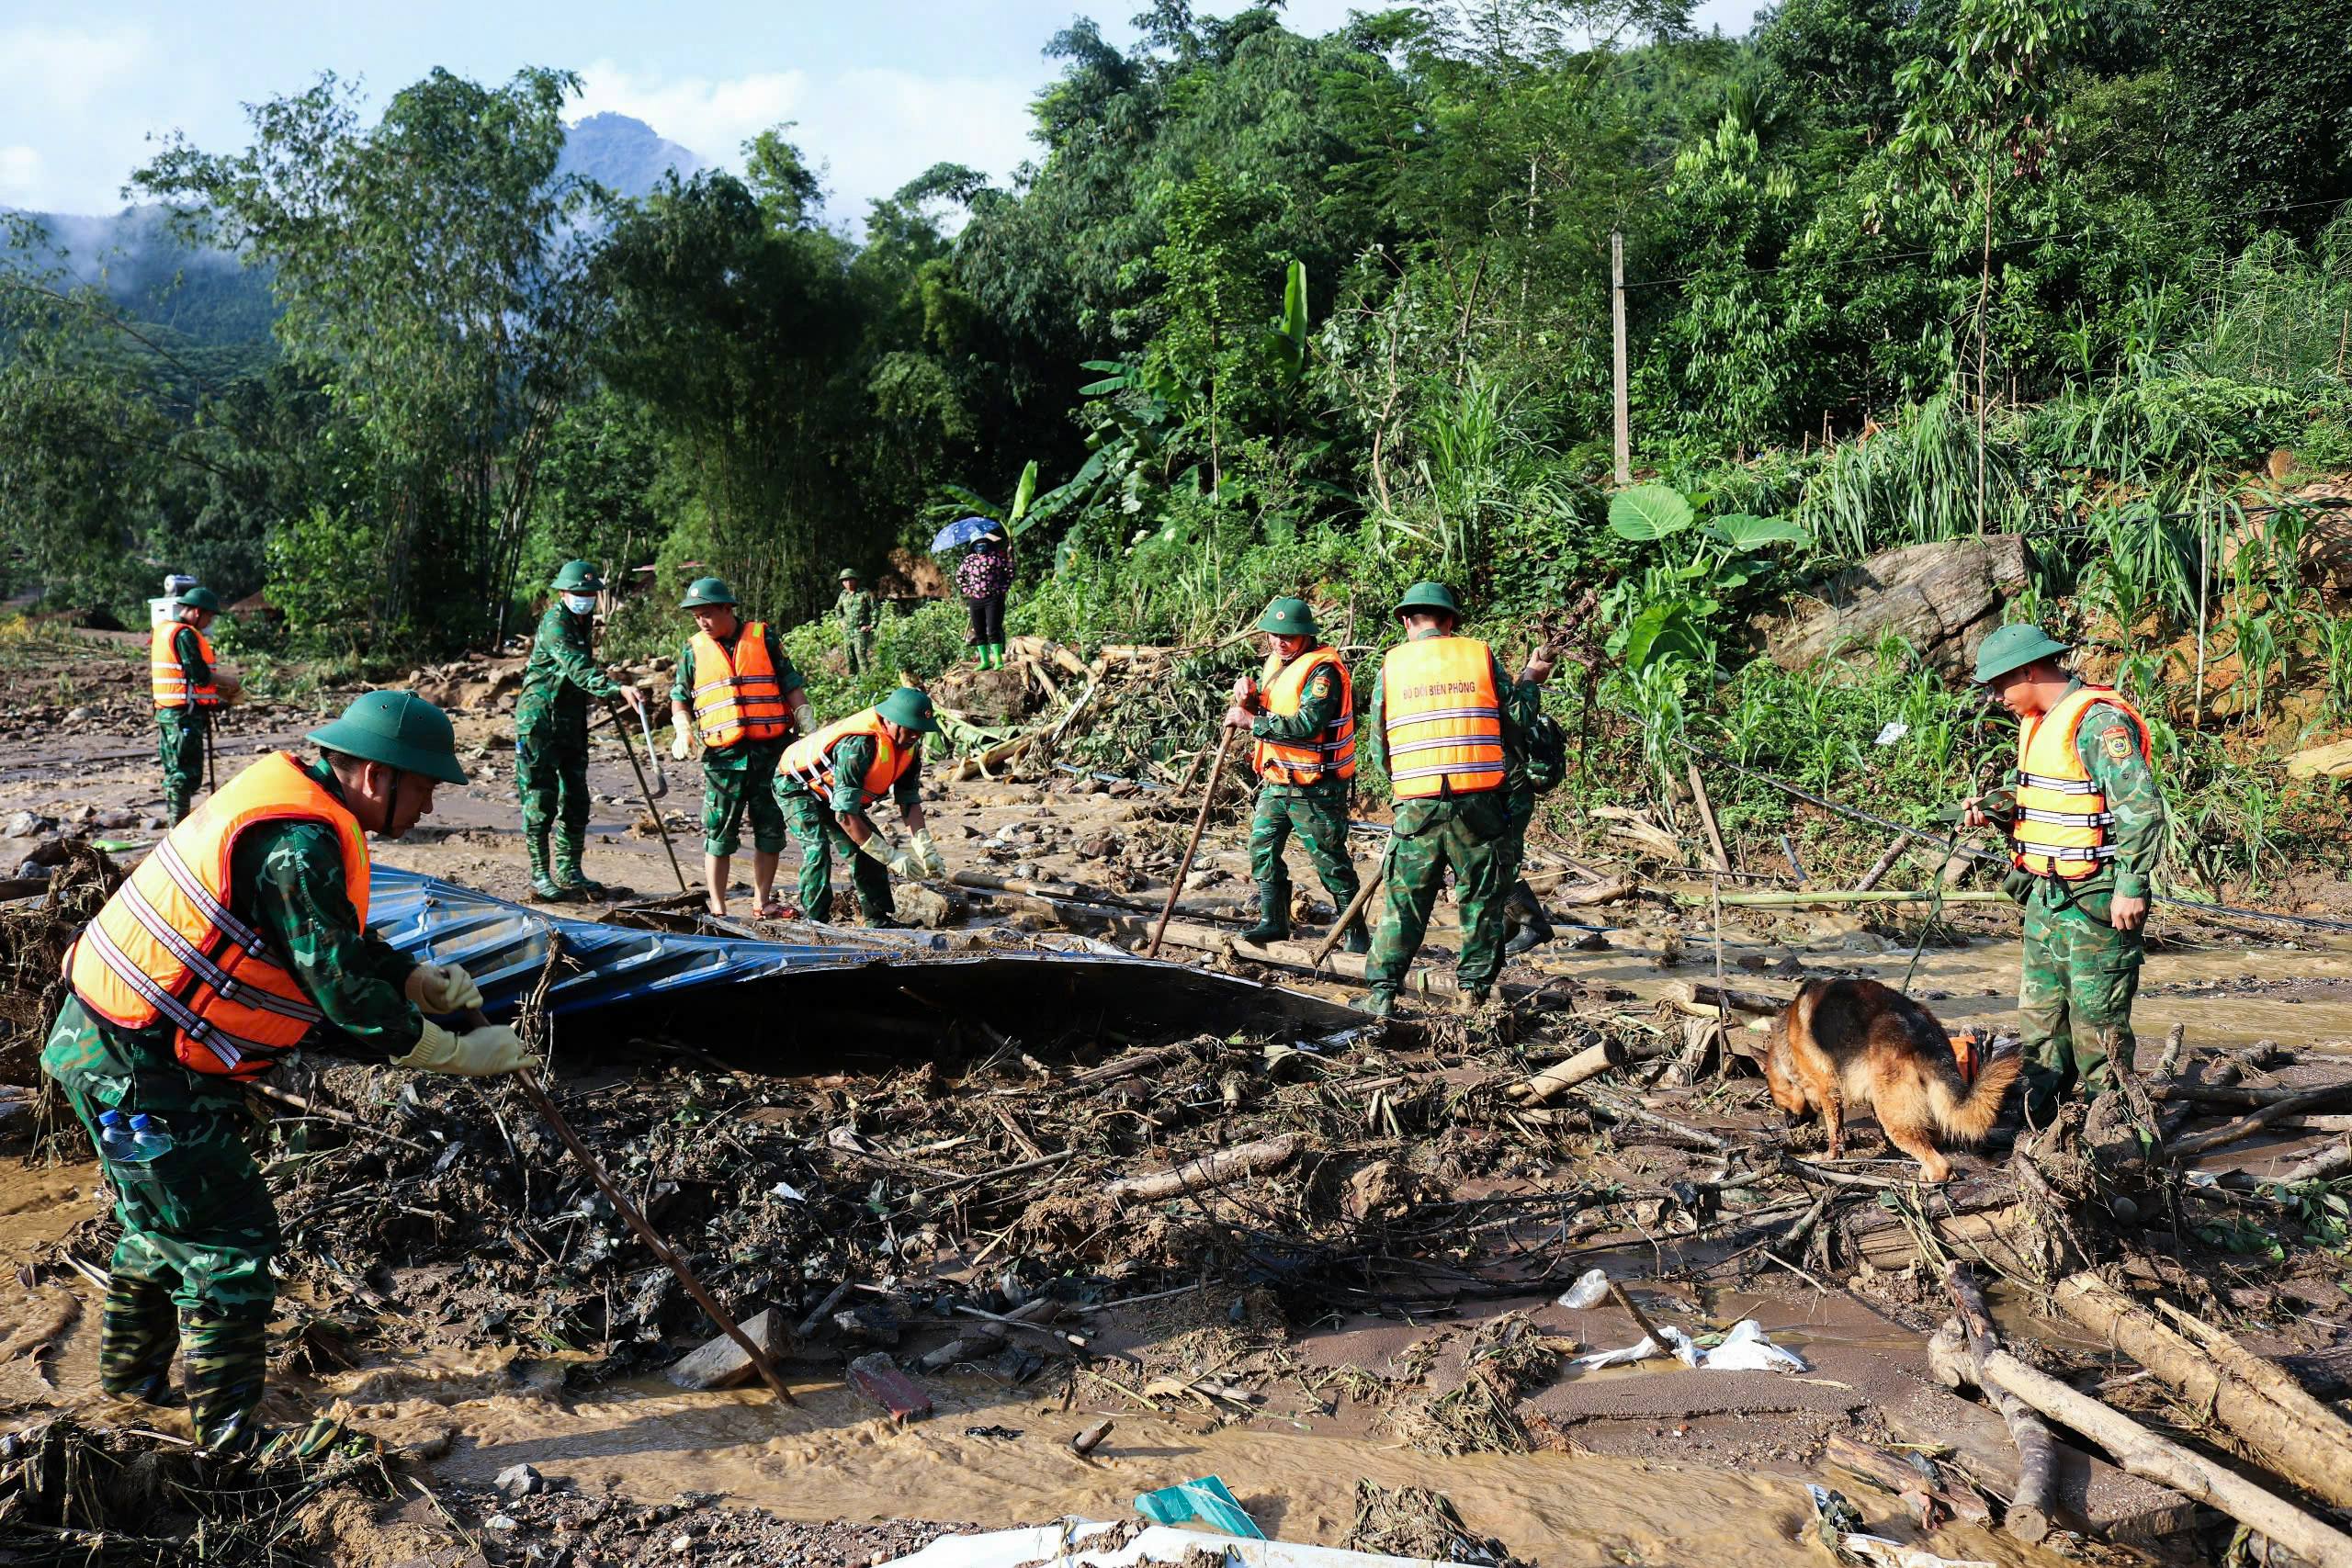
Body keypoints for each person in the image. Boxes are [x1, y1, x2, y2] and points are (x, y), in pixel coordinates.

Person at [42, 690, 537, 1453]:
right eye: (427, 787)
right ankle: (231, 1440)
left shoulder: (299, 811)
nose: (431, 804)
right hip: (136, 1067)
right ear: (377, 775)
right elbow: (344, 998)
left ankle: (129, 1393)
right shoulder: (299, 845)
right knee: (230, 1238)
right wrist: (451, 1050)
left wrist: (412, 977)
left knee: (162, 1223)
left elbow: (322, 942)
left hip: (112, 1043)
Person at [1962, 624, 2164, 1126]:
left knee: (2098, 1024)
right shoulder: (2038, 721)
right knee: (2040, 1018)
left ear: (2030, 671)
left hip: (2097, 902)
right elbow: (2042, 794)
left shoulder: (2098, 724)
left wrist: (2131, 887)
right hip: (2046, 899)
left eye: (1999, 685)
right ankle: (2036, 1119)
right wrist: (1994, 806)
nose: (1996, 698)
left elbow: (2141, 811)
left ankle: (2112, 1129)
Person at [1360, 582, 1554, 1017]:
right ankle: (1472, 997)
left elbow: (1379, 747)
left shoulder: (1391, 666)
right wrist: (1531, 679)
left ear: (1407, 621)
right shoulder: (1479, 655)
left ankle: (1382, 997)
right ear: (1450, 621)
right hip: (1479, 805)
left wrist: (1410, 783)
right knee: (1482, 902)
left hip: (1417, 806)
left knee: (1403, 905)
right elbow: (1519, 717)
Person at [1223, 596, 1366, 951]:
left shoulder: (1323, 672)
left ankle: (1355, 933)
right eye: (1274, 635)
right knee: (1261, 848)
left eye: (1288, 636)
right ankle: (1274, 922)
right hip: (1278, 780)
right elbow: (1274, 709)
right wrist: (1249, 699)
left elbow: (1307, 724)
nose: (1279, 642)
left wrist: (1250, 721)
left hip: (1316, 786)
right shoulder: (1278, 663)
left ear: (1306, 636)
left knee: (1329, 860)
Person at [668, 577, 813, 919]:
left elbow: (790, 683)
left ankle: (763, 903)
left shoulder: (763, 638)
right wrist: (682, 729)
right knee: (719, 831)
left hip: (771, 753)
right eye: (696, 617)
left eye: (707, 614)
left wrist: (807, 722)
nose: (702, 622)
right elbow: (679, 696)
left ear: (727, 608)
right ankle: (718, 907)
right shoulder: (694, 649)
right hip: (723, 759)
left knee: (770, 830)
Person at [515, 560, 646, 902]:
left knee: (576, 798)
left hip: (572, 721)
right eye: (579, 593)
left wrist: (605, 689)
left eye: (590, 593)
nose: (585, 598)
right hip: (539, 721)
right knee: (540, 798)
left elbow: (581, 671)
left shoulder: (582, 621)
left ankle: (569, 869)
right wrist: (615, 689)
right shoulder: (555, 624)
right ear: (563, 593)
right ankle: (541, 873)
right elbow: (576, 667)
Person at [775, 686, 944, 926]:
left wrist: (924, 846)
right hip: (798, 786)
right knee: (817, 849)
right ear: (889, 721)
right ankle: (815, 923)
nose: (915, 736)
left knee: (870, 851)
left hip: (835, 792)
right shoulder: (859, 745)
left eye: (920, 732)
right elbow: (844, 816)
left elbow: (908, 799)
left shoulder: (910, 748)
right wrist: (891, 856)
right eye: (911, 729)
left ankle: (878, 920)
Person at [152, 586, 241, 825]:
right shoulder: (185, 634)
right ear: (198, 612)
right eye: (209, 616)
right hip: (183, 716)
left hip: (169, 712)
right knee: (184, 776)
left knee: (175, 773)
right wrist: (227, 682)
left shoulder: (165, 630)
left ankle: (176, 825)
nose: (209, 621)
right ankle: (177, 829)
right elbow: (199, 675)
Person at [958, 527, 1012, 671]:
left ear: (987, 543)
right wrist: (967, 590)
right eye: (978, 543)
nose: (980, 545)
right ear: (973, 545)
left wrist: (1003, 588)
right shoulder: (969, 560)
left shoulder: (995, 558)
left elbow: (1010, 571)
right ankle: (985, 661)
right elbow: (959, 577)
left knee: (993, 629)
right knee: (979, 630)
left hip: (993, 598)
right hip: (976, 599)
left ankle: (998, 660)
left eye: (983, 542)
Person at [835, 567, 880, 676]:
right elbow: (838, 609)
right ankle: (853, 682)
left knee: (861, 656)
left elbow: (875, 608)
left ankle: (868, 681)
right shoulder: (843, 595)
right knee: (849, 657)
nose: (848, 583)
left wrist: (872, 625)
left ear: (856, 580)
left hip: (860, 630)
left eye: (850, 579)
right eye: (845, 580)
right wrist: (841, 621)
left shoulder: (864, 593)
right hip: (848, 631)